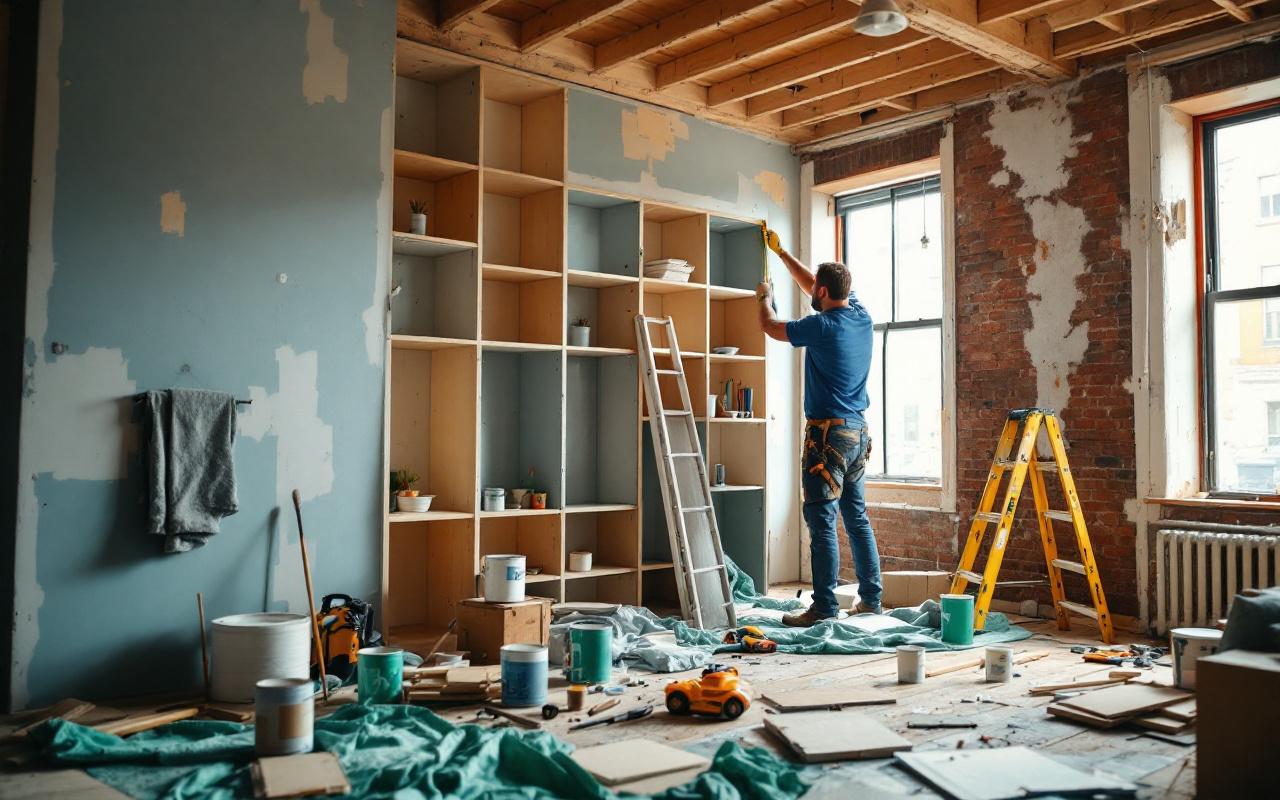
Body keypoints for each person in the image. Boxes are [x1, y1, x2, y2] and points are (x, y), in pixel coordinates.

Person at [756, 227, 883, 626]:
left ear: (824, 295)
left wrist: (764, 297)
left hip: (826, 437)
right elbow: (815, 282)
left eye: (817, 292)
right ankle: (871, 599)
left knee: (822, 520)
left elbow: (772, 327)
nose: (813, 294)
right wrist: (782, 254)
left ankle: (825, 608)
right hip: (857, 434)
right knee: (856, 517)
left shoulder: (822, 327)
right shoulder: (860, 316)